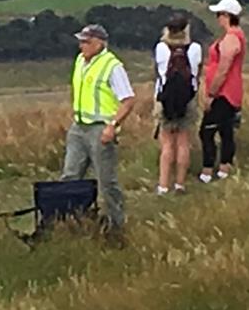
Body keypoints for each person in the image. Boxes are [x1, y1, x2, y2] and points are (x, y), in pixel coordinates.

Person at [61, 23, 143, 233]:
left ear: (100, 43)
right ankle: (69, 220)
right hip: (79, 127)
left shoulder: (112, 66)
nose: (82, 46)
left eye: (87, 42)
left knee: (106, 182)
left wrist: (112, 126)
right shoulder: (80, 61)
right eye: (80, 41)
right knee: (70, 176)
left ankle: (117, 226)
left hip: (100, 129)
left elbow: (128, 100)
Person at [151, 17, 203, 197]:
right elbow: (197, 73)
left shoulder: (161, 48)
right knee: (183, 143)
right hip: (188, 99)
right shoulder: (195, 49)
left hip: (164, 99)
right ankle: (180, 184)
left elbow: (158, 73)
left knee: (166, 143)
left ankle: (163, 185)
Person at [199, 0, 248, 184]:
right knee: (226, 128)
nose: (217, 18)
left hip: (224, 91)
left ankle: (208, 169)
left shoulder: (231, 38)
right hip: (231, 89)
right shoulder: (235, 35)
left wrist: (212, 92)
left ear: (227, 15)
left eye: (219, 14)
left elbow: (223, 68)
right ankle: (224, 167)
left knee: (207, 130)